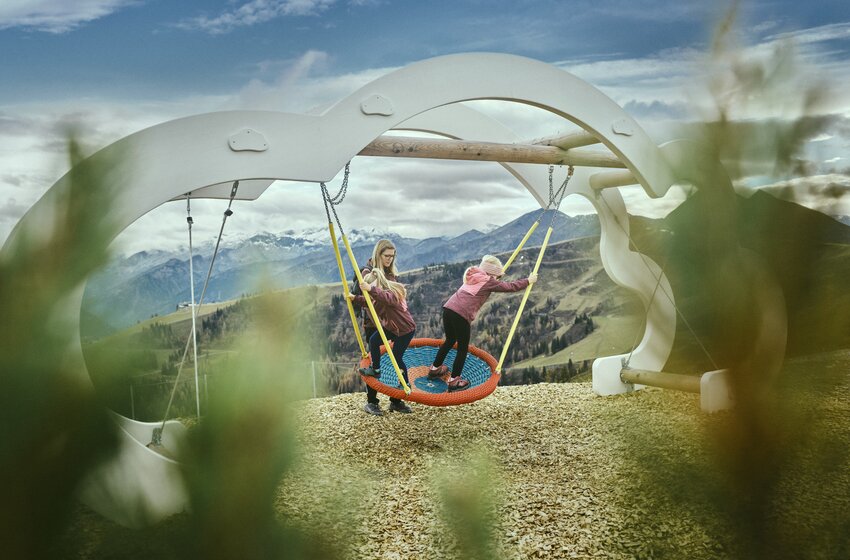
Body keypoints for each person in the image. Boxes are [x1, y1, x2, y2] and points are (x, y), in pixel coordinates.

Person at [428, 255, 537, 391]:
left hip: (449, 308)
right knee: (462, 348)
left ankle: (434, 369)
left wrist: (496, 277)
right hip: (461, 314)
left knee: (450, 340)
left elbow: (493, 281)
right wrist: (528, 280)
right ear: (492, 274)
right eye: (497, 276)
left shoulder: (473, 275)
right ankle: (454, 380)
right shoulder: (488, 281)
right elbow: (510, 287)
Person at [350, 239, 408, 416]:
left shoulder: (391, 274)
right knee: (373, 361)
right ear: (378, 254)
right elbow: (360, 297)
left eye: (392, 256)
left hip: (390, 324)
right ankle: (372, 401)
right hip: (373, 324)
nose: (389, 259)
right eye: (386, 256)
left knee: (395, 356)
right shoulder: (366, 273)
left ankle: (396, 400)